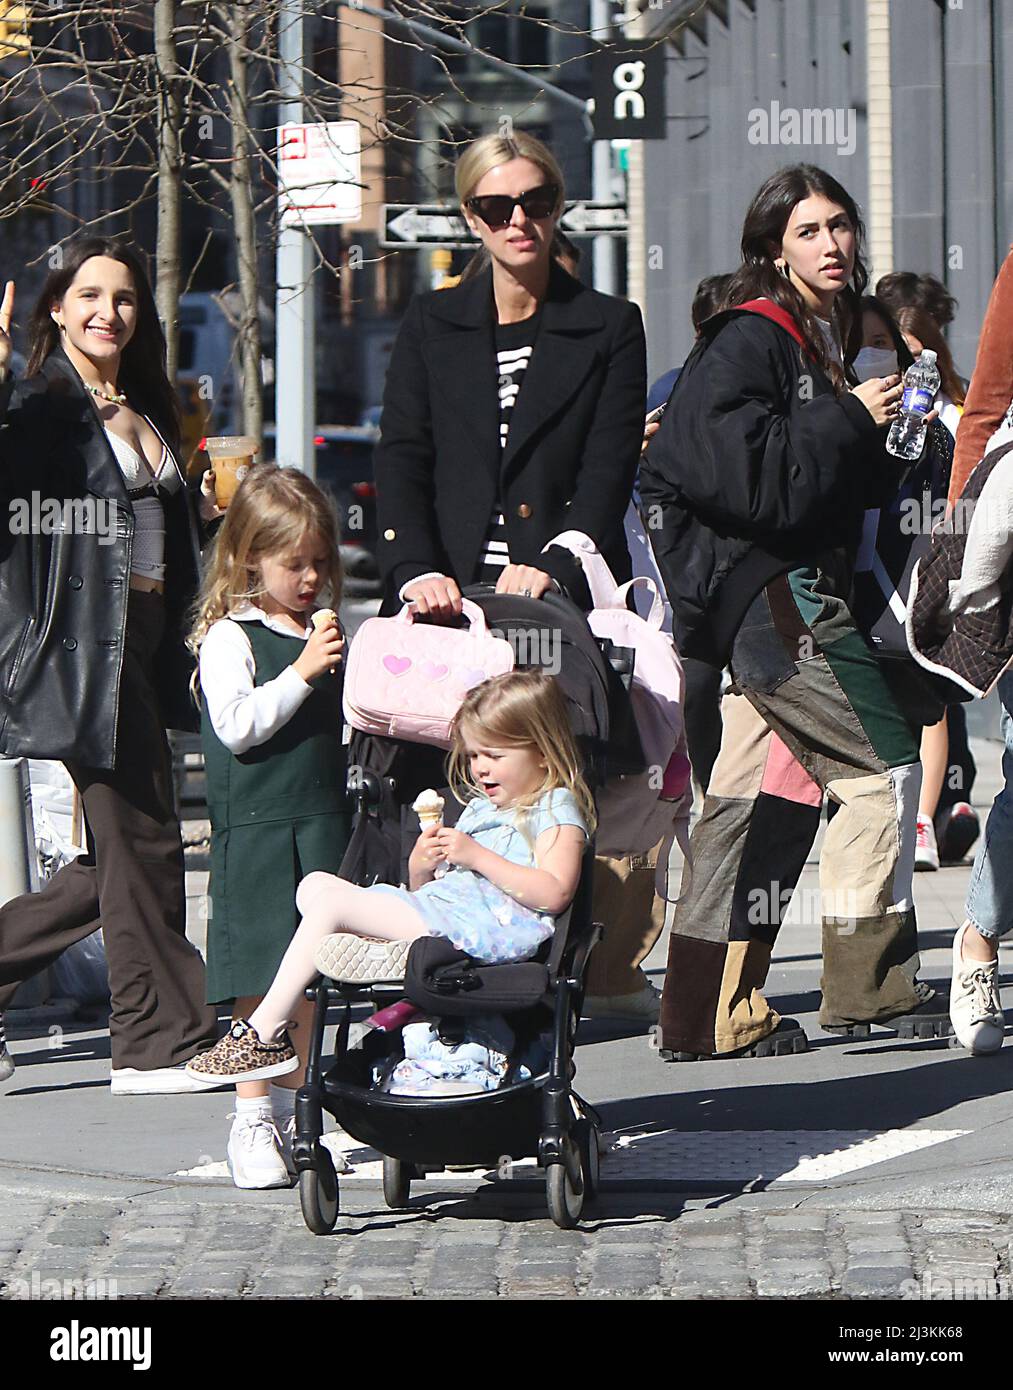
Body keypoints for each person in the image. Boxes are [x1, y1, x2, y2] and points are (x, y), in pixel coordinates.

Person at [640, 164, 949, 1060]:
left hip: (751, 602)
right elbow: (741, 474)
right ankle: (868, 985)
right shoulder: (754, 334)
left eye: (841, 227)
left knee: (746, 805)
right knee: (883, 766)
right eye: (809, 230)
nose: (832, 245)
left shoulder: (818, 340)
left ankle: (704, 1012)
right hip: (771, 597)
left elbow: (808, 477)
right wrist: (848, 416)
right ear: (772, 245)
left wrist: (888, 433)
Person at [370, 130, 648, 1019]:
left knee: (539, 795)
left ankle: (539, 985)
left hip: (539, 612)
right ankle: (422, 977)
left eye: (534, 203)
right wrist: (414, 569)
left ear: (558, 206)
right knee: (420, 792)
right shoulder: (431, 322)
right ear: (470, 220)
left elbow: (606, 474)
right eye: (496, 208)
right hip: (444, 610)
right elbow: (402, 456)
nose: (518, 220)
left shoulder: (608, 325)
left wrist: (556, 561)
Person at [0, 238, 221, 1093]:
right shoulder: (46, 406)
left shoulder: (141, 402)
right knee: (145, 842)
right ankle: (156, 1037)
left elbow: (151, 530)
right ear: (57, 308)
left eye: (124, 298)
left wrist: (193, 509)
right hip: (83, 647)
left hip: (148, 635)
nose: (108, 311)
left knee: (129, 849)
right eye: (88, 295)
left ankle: (163, 1023)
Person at [184, 670, 593, 1084]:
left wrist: (478, 856)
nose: (480, 769)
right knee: (315, 886)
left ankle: (266, 1030)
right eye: (472, 756)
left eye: (495, 756)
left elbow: (555, 892)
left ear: (542, 752)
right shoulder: (483, 809)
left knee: (333, 905)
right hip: (456, 919)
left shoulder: (554, 807)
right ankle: (381, 948)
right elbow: (442, 892)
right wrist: (421, 868)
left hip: (493, 931)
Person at [187, 463, 350, 1187]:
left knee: (312, 979)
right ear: (250, 556)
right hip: (256, 831)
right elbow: (237, 727)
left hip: (319, 824)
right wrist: (303, 673)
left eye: (319, 562)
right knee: (259, 977)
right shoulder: (232, 636)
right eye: (294, 564)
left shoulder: (322, 630)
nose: (310, 578)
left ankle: (300, 1112)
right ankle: (250, 1117)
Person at [874, 275, 980, 868]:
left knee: (935, 697)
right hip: (883, 571)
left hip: (942, 566)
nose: (914, 363)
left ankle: (925, 814)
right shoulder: (870, 402)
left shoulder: (959, 408)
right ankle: (925, 807)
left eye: (921, 350)